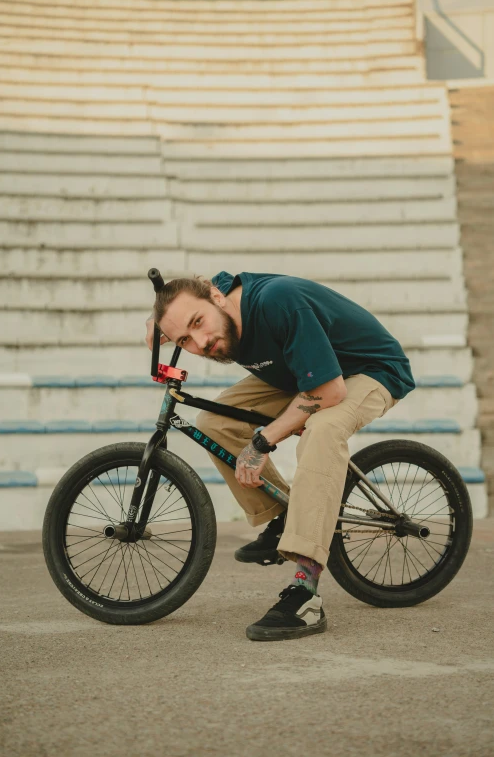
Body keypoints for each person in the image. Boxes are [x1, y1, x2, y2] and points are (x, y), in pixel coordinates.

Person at [145, 271, 415, 642]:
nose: (201, 341)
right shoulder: (214, 298)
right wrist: (159, 320)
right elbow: (193, 292)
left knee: (322, 430)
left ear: (216, 298)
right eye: (184, 340)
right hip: (299, 372)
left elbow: (330, 390)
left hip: (365, 371)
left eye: (198, 323)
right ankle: (285, 517)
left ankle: (305, 593)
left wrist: (263, 441)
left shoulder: (278, 301)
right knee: (213, 421)